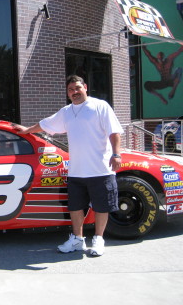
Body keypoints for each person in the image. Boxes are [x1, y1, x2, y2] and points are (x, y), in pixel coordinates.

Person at [13, 75, 123, 256]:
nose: (74, 92)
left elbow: (115, 132)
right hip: (76, 171)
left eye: (77, 88)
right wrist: (26, 130)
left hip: (100, 169)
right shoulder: (66, 111)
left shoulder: (100, 106)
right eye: (71, 90)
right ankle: (78, 240)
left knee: (101, 206)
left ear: (85, 87)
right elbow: (45, 124)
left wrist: (116, 154)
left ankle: (98, 239)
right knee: (75, 207)